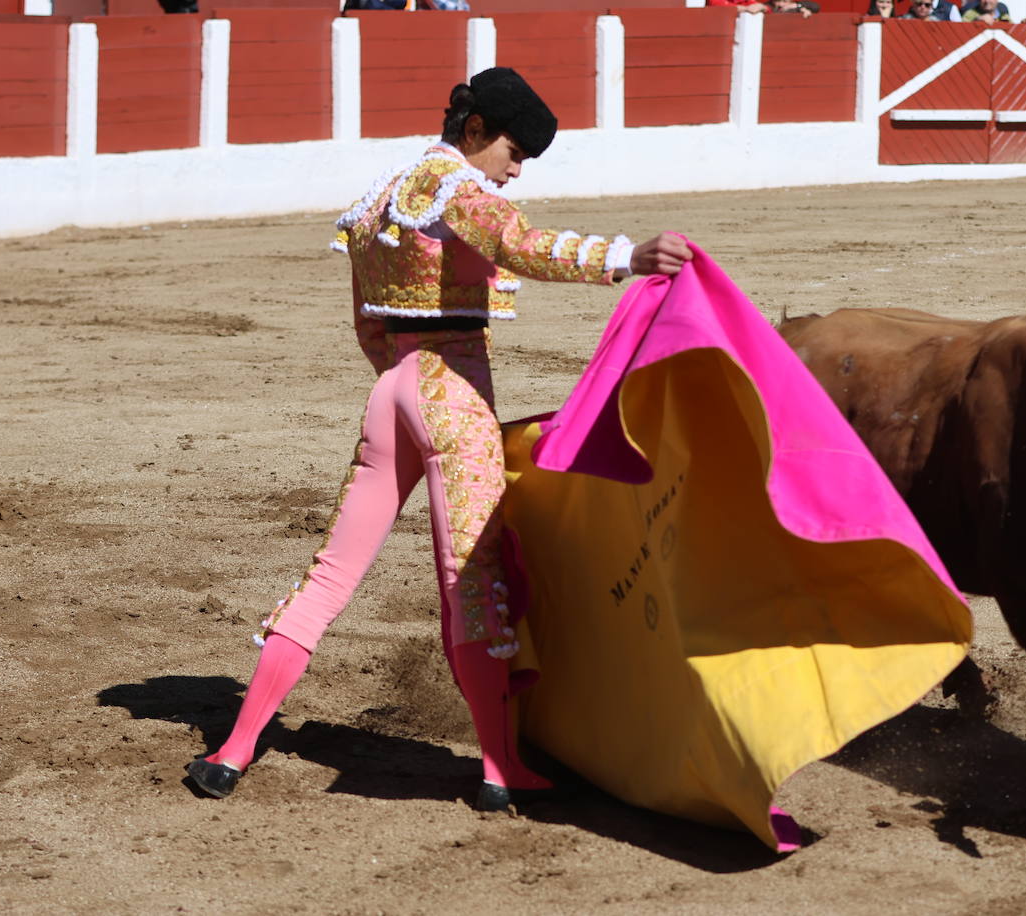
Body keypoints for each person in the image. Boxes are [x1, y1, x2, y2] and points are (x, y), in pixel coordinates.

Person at [186, 67, 693, 811]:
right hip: (454, 394)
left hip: (391, 386)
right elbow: (521, 245)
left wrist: (397, 380)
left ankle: (232, 750)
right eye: (513, 152)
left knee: (328, 576)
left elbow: (366, 314)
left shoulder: (381, 200)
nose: (514, 172)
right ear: (477, 130)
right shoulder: (460, 191)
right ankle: (499, 769)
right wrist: (625, 257)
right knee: (471, 585)